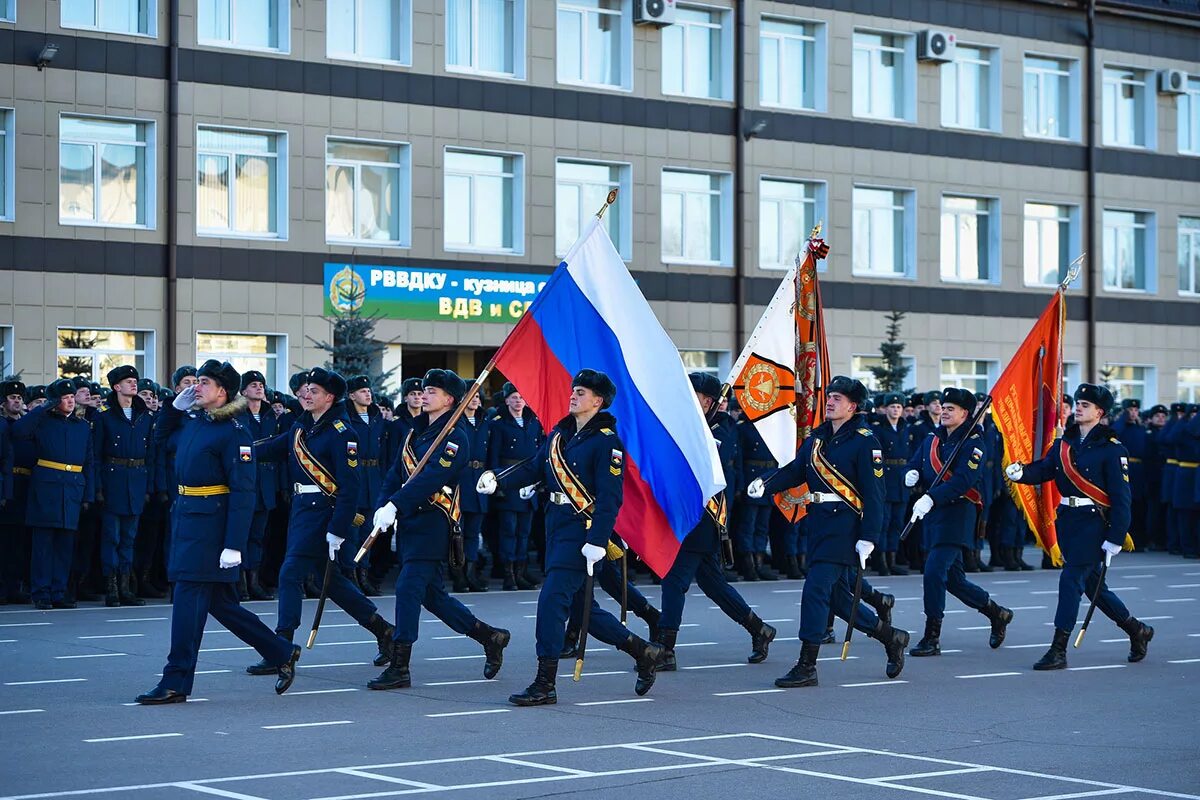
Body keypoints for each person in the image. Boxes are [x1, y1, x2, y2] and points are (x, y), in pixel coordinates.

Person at [478, 370, 664, 705]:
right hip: (556, 526)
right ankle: (643, 651)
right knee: (582, 611)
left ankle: (545, 682)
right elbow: (533, 467)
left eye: (582, 392)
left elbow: (610, 498)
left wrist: (597, 539)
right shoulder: (560, 435)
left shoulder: (607, 441)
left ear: (598, 400)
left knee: (551, 601)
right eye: (574, 390)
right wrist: (498, 480)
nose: (574, 395)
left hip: (581, 533)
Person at [136, 360, 300, 704]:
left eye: (204, 383)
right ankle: (280, 651)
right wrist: (172, 407)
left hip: (211, 529)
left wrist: (234, 544)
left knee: (186, 602)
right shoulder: (195, 421)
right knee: (223, 606)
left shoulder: (234, 431)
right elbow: (159, 441)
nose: (196, 387)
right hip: (186, 520)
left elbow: (243, 491)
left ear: (222, 391)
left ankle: (175, 680)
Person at [751, 376, 909, 688]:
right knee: (836, 600)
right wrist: (766, 484)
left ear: (853, 406)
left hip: (846, 528)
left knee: (815, 591)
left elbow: (874, 494)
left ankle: (807, 664)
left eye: (838, 398)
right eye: (830, 396)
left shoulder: (865, 442)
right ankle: (891, 637)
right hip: (820, 524)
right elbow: (796, 471)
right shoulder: (817, 439)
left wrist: (870, 536)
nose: (831, 402)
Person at [245, 368, 394, 678]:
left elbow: (350, 488)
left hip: (323, 513)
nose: (306, 394)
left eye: (314, 390)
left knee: (290, 574)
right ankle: (385, 631)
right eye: (305, 389)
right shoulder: (303, 427)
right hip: (302, 511)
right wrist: (240, 450)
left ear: (330, 397)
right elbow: (273, 448)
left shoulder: (343, 432)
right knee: (332, 583)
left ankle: (281, 646)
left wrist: (338, 529)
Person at [368, 370, 510, 689]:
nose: (424, 394)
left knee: (406, 588)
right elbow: (395, 473)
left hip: (434, 523)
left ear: (449, 399)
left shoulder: (455, 436)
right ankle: (490, 637)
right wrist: (383, 505)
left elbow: (430, 478)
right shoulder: (415, 432)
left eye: (432, 391)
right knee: (433, 597)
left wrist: (397, 505)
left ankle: (400, 665)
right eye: (423, 389)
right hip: (410, 523)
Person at [1007, 383, 1154, 669]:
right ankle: (1137, 630)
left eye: (1085, 405)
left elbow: (1122, 498)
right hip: (1069, 521)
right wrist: (1022, 472)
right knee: (1094, 587)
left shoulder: (1112, 450)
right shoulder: (1064, 444)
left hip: (1094, 524)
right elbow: (1046, 469)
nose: (1078, 408)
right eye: (1077, 403)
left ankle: (1058, 650)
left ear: (1099, 412)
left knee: (1071, 581)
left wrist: (1115, 536)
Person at [655, 372, 776, 670]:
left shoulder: (723, 429)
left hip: (704, 516)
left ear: (708, 401)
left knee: (674, 581)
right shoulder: (688, 424)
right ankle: (759, 629)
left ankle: (666, 650)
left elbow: (708, 465)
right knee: (713, 585)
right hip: (683, 514)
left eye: (694, 394)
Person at [905, 388, 1013, 657]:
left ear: (965, 414)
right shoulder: (934, 438)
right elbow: (914, 462)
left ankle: (932, 636)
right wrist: (911, 473)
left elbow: (963, 481)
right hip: (933, 514)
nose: (944, 411)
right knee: (953, 581)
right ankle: (996, 613)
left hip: (957, 514)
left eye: (950, 408)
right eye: (943, 407)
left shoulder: (974, 443)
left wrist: (931, 497)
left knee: (933, 572)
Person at [12, 379, 94, 610]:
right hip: (46, 487)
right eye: (64, 397)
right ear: (54, 401)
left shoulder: (82, 426)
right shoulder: (42, 421)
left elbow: (89, 462)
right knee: (43, 545)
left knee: (65, 545)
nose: (69, 401)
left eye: (71, 397)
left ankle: (59, 591)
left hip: (72, 488)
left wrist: (88, 493)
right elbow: (18, 431)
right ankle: (41, 592)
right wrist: (42, 408)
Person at [92, 365, 154, 607]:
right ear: (116, 387)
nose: (134, 384)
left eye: (135, 380)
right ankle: (112, 587)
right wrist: (97, 487)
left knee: (129, 537)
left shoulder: (144, 416)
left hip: (136, 479)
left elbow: (151, 455)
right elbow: (96, 455)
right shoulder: (104, 416)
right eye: (128, 381)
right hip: (113, 479)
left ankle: (126, 586)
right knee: (112, 537)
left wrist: (149, 487)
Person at [488, 383, 545, 590]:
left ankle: (521, 571)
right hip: (509, 480)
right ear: (506, 401)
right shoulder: (499, 424)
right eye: (513, 398)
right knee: (508, 531)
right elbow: (493, 455)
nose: (518, 401)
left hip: (529, 482)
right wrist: (498, 484)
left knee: (524, 532)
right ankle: (509, 574)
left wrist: (539, 481)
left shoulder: (533, 422)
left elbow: (539, 453)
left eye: (521, 397)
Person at [344, 375, 388, 596]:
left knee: (370, 532)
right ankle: (351, 575)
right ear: (351, 395)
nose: (367, 394)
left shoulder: (377, 417)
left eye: (368, 390)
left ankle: (364, 574)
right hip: (355, 476)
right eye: (362, 391)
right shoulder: (346, 418)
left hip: (374, 478)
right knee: (352, 531)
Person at [239, 370, 279, 601]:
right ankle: (241, 582)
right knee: (241, 534)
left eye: (261, 384)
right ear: (243, 391)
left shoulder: (269, 415)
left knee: (258, 536)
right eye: (253, 385)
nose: (259, 388)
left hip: (265, 483)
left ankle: (254, 581)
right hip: (245, 481)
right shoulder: (238, 415)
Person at [456, 381, 492, 592]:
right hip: (461, 481)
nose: (475, 399)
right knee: (457, 532)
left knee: (473, 532)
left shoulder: (485, 421)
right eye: (471, 395)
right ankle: (458, 574)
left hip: (479, 481)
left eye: (478, 396)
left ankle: (471, 573)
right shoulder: (455, 421)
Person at [869, 392, 910, 576]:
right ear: (885, 409)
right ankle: (881, 560)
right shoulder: (878, 429)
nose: (896, 410)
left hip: (901, 479)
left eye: (899, 407)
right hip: (885, 478)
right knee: (883, 522)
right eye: (892, 407)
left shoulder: (905, 428)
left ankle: (892, 559)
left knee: (897, 522)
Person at [0, 379, 31, 604]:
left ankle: (15, 586)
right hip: (5, 485)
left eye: (20, 398)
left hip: (25, 485)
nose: (18, 401)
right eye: (13, 397)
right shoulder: (2, 425)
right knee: (4, 541)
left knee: (19, 541)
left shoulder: (27, 425)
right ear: (3, 403)